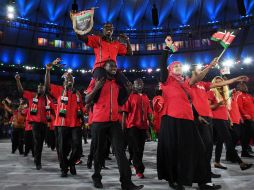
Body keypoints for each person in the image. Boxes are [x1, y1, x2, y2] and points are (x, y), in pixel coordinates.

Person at [157, 35, 215, 190]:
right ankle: (174, 179)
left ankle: (204, 182)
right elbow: (162, 65)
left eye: (180, 66)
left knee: (198, 149)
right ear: (170, 70)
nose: (178, 68)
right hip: (171, 119)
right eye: (175, 66)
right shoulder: (166, 80)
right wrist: (166, 49)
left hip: (188, 119)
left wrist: (198, 116)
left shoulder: (186, 83)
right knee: (174, 150)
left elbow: (189, 102)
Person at [85, 60, 143, 190]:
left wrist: (128, 92)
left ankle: (126, 183)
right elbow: (87, 99)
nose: (114, 67)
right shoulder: (97, 79)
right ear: (104, 67)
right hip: (99, 122)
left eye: (115, 66)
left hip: (114, 122)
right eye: (110, 65)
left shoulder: (118, 84)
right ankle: (96, 177)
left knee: (120, 152)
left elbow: (121, 102)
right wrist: (97, 87)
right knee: (99, 152)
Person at [74, 21, 133, 105]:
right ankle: (93, 100)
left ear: (112, 30)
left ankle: (119, 102)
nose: (108, 29)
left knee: (128, 85)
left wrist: (127, 40)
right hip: (100, 68)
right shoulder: (97, 39)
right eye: (106, 28)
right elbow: (82, 38)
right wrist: (76, 28)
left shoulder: (116, 43)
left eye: (110, 28)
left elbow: (129, 53)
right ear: (103, 30)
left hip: (113, 69)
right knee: (101, 80)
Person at [45, 60, 84, 177]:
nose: (69, 82)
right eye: (67, 80)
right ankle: (64, 168)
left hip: (75, 124)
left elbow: (81, 109)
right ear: (64, 82)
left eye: (71, 80)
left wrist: (82, 118)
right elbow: (47, 87)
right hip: (61, 124)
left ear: (74, 82)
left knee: (77, 147)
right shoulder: (58, 91)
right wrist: (48, 71)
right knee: (61, 149)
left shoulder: (78, 94)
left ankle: (71, 163)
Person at [207, 76, 252, 171]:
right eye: (217, 82)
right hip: (217, 119)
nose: (219, 84)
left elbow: (226, 109)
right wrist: (217, 104)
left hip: (225, 119)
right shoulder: (211, 92)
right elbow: (209, 106)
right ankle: (241, 163)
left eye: (221, 82)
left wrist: (229, 120)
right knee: (228, 140)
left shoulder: (224, 93)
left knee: (220, 141)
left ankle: (217, 162)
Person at [15, 74, 49, 170]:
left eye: (42, 88)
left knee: (40, 143)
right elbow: (21, 91)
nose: (40, 89)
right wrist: (18, 80)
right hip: (35, 123)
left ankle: (37, 158)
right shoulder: (32, 96)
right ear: (37, 89)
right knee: (37, 141)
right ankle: (38, 162)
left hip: (44, 123)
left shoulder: (46, 98)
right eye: (39, 88)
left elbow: (47, 85)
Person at [122, 78, 153, 179]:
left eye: (141, 83)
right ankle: (139, 169)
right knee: (136, 148)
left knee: (141, 148)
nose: (139, 85)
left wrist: (151, 124)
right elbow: (125, 113)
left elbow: (149, 112)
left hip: (143, 126)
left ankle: (134, 162)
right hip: (132, 126)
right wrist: (123, 127)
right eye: (137, 83)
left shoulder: (145, 97)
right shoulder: (130, 97)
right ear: (134, 85)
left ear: (143, 85)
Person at [236, 82, 254, 157]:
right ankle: (244, 152)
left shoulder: (249, 96)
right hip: (246, 119)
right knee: (245, 136)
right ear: (239, 87)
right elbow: (240, 107)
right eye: (243, 86)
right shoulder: (239, 96)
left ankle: (246, 151)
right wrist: (245, 115)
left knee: (249, 136)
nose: (245, 88)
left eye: (246, 86)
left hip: (252, 118)